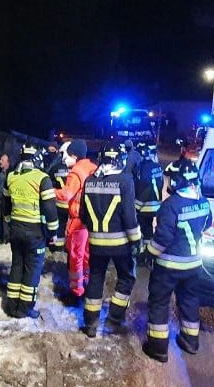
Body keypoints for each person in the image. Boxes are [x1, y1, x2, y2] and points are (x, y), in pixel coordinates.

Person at [141, 157, 213, 363]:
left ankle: (158, 348)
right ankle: (190, 342)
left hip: (168, 267)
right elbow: (208, 223)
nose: (170, 182)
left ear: (179, 180)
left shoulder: (170, 205)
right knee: (189, 301)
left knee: (159, 302)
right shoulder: (203, 201)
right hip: (194, 266)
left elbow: (163, 238)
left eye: (172, 178)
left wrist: (149, 253)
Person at [79, 142, 142, 336]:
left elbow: (83, 215)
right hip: (120, 244)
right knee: (126, 278)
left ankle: (90, 324)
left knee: (95, 278)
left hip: (96, 243)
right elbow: (129, 217)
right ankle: (114, 320)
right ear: (120, 159)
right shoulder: (125, 181)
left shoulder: (89, 181)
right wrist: (136, 241)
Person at [3, 142, 59, 318]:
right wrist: (53, 232)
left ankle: (12, 306)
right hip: (35, 232)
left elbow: (5, 204)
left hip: (15, 229)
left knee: (17, 265)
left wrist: (9, 222)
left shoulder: (11, 177)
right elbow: (50, 209)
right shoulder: (42, 179)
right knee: (32, 270)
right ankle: (24, 309)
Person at [53, 138, 96, 302]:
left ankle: (76, 291)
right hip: (91, 220)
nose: (64, 158)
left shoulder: (76, 172)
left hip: (78, 220)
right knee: (86, 255)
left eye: (67, 154)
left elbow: (66, 195)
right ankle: (87, 284)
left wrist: (48, 191)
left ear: (75, 155)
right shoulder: (93, 168)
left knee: (75, 256)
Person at [132, 140, 164, 248]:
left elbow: (143, 188)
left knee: (141, 230)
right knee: (148, 229)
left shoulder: (142, 168)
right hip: (156, 205)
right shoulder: (158, 167)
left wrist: (136, 207)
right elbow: (160, 184)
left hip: (144, 207)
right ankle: (148, 250)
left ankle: (141, 251)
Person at [44, 141, 71, 244]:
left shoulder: (55, 168)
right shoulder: (77, 169)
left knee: (59, 229)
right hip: (73, 207)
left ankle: (56, 247)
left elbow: (49, 183)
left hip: (59, 205)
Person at [0, 153, 11, 243]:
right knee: (0, 219)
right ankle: (2, 236)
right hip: (0, 200)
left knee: (6, 220)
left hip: (7, 201)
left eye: (2, 160)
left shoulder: (10, 174)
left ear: (8, 162)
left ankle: (6, 239)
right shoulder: (0, 172)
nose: (0, 161)